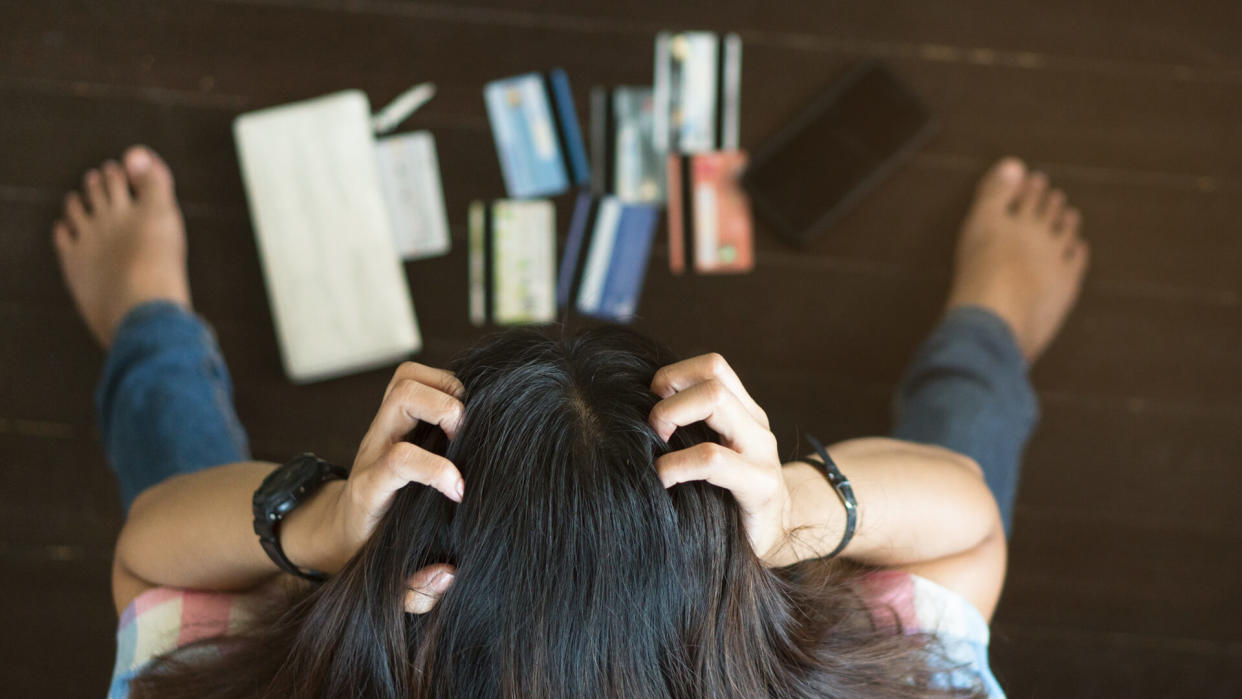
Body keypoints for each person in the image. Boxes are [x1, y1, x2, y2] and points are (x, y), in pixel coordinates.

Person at [53, 146, 1087, 698]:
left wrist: (320, 529)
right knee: (941, 468)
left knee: (215, 551)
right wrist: (794, 514)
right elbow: (967, 519)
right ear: (713, 577)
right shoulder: (895, 663)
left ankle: (153, 330)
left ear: (418, 569)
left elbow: (157, 559)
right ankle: (984, 332)